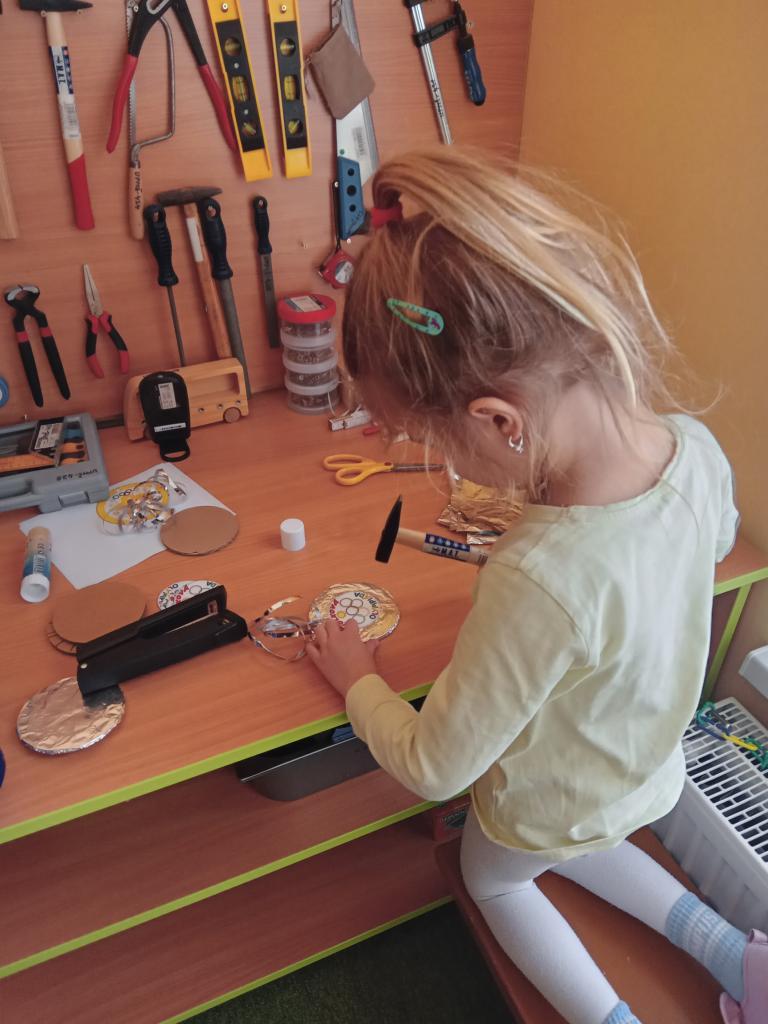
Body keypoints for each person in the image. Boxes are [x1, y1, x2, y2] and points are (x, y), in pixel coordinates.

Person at [306, 147, 765, 1024]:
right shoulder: (694, 448)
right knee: (582, 840)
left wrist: (356, 677)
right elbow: (704, 553)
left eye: (436, 445)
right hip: (644, 771)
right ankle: (730, 951)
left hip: (552, 801)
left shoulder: (536, 578)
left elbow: (436, 765)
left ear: (499, 422)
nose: (444, 465)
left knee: (496, 874)